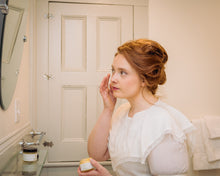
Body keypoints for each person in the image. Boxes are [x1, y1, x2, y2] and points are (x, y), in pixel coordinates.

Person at [77, 39, 195, 176]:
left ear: (144, 79)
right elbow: (97, 154)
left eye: (122, 72)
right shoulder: (122, 112)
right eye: (113, 70)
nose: (113, 78)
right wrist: (108, 109)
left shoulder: (162, 124)